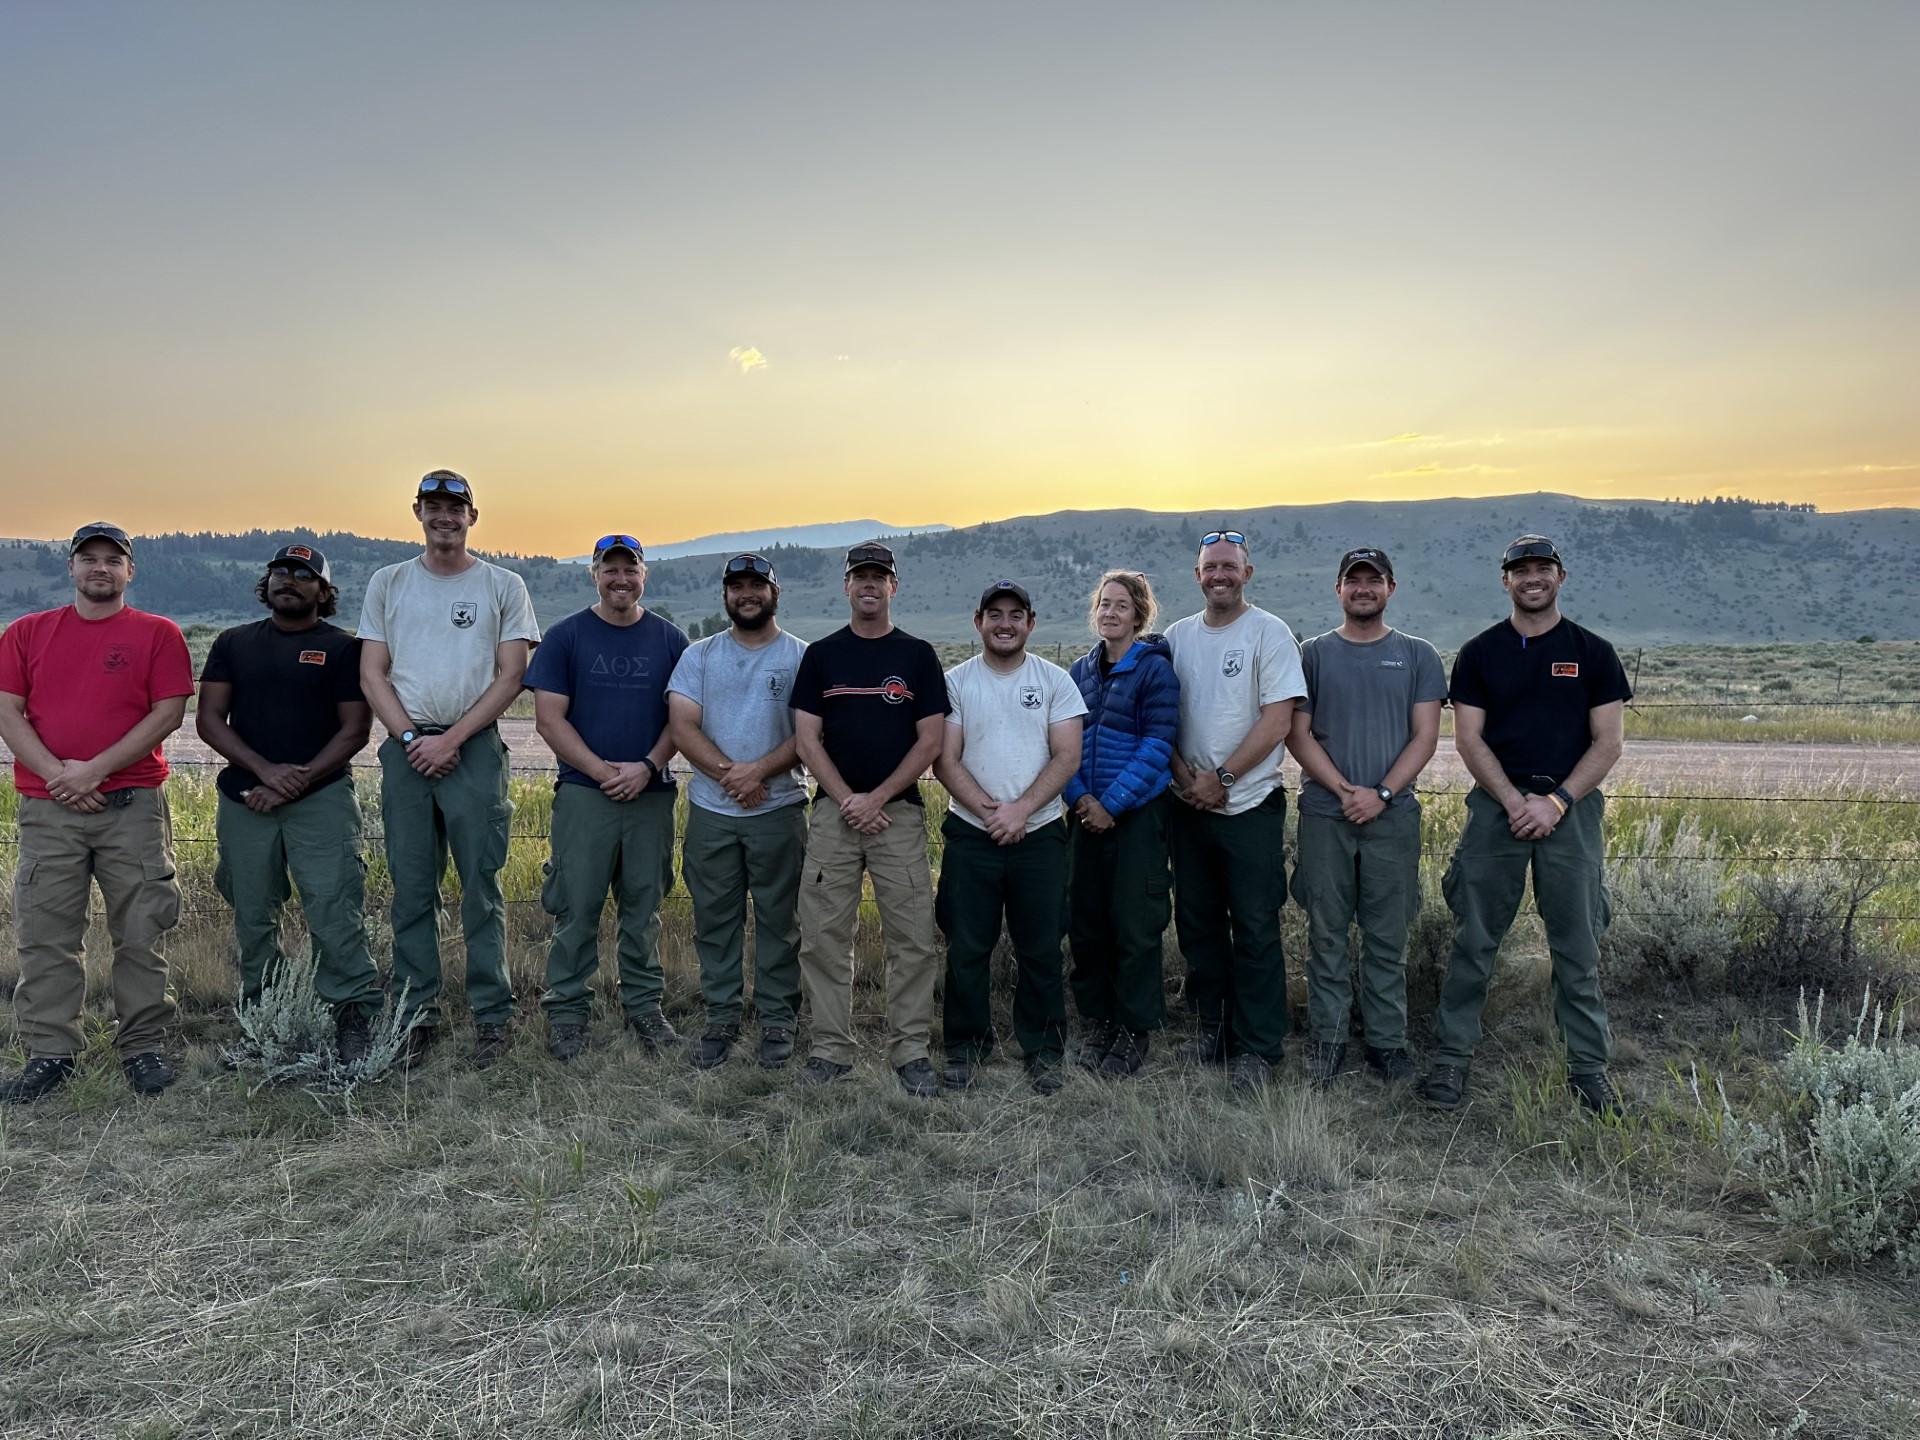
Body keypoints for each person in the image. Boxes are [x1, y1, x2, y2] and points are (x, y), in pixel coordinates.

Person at [1422, 535, 1630, 1115]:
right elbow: (1468, 739)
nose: (1532, 578)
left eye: (1543, 568)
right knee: (1474, 940)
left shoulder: (1593, 652)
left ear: (1561, 576)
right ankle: (1451, 1060)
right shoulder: (1481, 653)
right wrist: (1515, 801)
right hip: (1496, 809)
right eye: (1521, 570)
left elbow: (1608, 742)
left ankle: (1588, 1069)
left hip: (1572, 809)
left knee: (1578, 944)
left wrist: (1557, 801)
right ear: (1504, 580)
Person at [0, 522, 193, 1102]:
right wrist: (63, 777)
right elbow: (8, 712)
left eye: (114, 560)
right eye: (90, 559)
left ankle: (144, 1049)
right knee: (46, 933)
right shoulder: (26, 633)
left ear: (130, 571)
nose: (100, 569)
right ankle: (51, 1053)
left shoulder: (158, 634)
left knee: (141, 932)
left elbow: (167, 714)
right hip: (49, 809)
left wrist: (96, 770)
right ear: (71, 567)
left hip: (131, 807)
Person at [357, 470, 540, 1068]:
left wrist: (454, 737)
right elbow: (372, 673)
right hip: (407, 751)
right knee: (412, 891)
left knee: (481, 890)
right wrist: (411, 738)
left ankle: (492, 1016)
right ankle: (416, 1015)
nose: (445, 517)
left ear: (472, 517)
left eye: (455, 508)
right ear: (417, 512)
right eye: (433, 506)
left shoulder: (502, 585)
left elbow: (511, 676)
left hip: (475, 751)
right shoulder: (389, 583)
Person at [197, 544, 380, 1059]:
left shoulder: (344, 648)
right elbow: (209, 720)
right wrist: (266, 773)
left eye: (304, 574)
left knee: (334, 909)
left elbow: (355, 730)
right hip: (247, 798)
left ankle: (352, 1015)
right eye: (279, 571)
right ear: (266, 584)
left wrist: (296, 780)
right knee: (253, 913)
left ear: (324, 592)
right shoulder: (234, 643)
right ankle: (263, 1010)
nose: (289, 580)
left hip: (320, 798)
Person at [790, 541, 949, 1095]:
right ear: (846, 586)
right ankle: (830, 1049)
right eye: (861, 576)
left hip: (897, 817)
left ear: (893, 588)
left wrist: (877, 797)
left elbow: (930, 740)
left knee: (913, 938)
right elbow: (807, 740)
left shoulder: (917, 656)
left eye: (880, 577)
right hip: (834, 817)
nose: (870, 585)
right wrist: (846, 798)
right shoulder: (821, 656)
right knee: (824, 937)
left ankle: (910, 1052)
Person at [1284, 548, 1445, 1087]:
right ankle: (1328, 1040)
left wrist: (1380, 792)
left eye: (1373, 581)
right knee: (1326, 932)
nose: (1363, 589)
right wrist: (1344, 789)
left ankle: (1386, 1042)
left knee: (1387, 934)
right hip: (1326, 815)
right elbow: (1297, 734)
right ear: (1338, 590)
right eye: (1353, 581)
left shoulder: (1418, 655)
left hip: (1392, 816)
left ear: (1390, 588)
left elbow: (1425, 736)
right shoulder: (1313, 655)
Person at [526, 534, 688, 1061]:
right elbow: (549, 718)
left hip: (651, 793)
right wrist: (600, 772)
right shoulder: (566, 636)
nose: (620, 578)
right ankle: (568, 1011)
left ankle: (644, 1007)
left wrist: (646, 767)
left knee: (643, 909)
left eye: (630, 568)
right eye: (609, 568)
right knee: (576, 907)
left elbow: (681, 721)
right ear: (592, 574)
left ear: (646, 575)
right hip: (584, 794)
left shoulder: (670, 640)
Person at [1163, 528, 1308, 1093]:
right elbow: (1160, 719)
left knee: (1253, 926)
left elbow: (1278, 720)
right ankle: (1213, 1027)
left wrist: (1222, 779)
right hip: (1187, 806)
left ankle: (1259, 1045)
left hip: (1249, 804)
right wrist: (1188, 779)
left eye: (1230, 566)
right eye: (1209, 567)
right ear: (1197, 575)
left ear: (1248, 573)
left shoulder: (1269, 634)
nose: (1219, 575)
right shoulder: (1176, 637)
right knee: (1198, 925)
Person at [933, 581, 1086, 1094]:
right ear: (977, 621)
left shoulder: (1056, 682)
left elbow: (1067, 755)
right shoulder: (955, 682)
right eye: (994, 614)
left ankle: (1043, 1051)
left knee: (1041, 949)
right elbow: (945, 759)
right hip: (971, 836)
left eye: (1015, 615)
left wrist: (1021, 810)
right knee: (966, 948)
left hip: (1039, 836)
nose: (1005, 624)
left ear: (1031, 623)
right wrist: (990, 812)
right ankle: (965, 1048)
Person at [666, 554, 808, 1070]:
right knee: (714, 920)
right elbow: (683, 727)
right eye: (737, 587)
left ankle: (777, 1019)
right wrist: (734, 775)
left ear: (775, 593)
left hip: (779, 809)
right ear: (724, 595)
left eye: (757, 586)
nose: (747, 594)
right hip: (712, 811)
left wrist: (759, 773)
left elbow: (807, 736)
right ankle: (721, 1015)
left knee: (780, 921)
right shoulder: (699, 656)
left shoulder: (800, 657)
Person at [1063, 569, 1180, 1079]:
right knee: (1085, 923)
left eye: (1121, 606)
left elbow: (1159, 744)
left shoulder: (1155, 672)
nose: (1110, 612)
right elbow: (1061, 744)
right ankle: (1097, 1021)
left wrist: (1111, 803)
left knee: (1135, 925)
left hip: (1136, 816)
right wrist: (1081, 798)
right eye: (1104, 604)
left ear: (1139, 615)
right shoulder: (1079, 673)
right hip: (1084, 814)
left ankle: (1135, 1030)